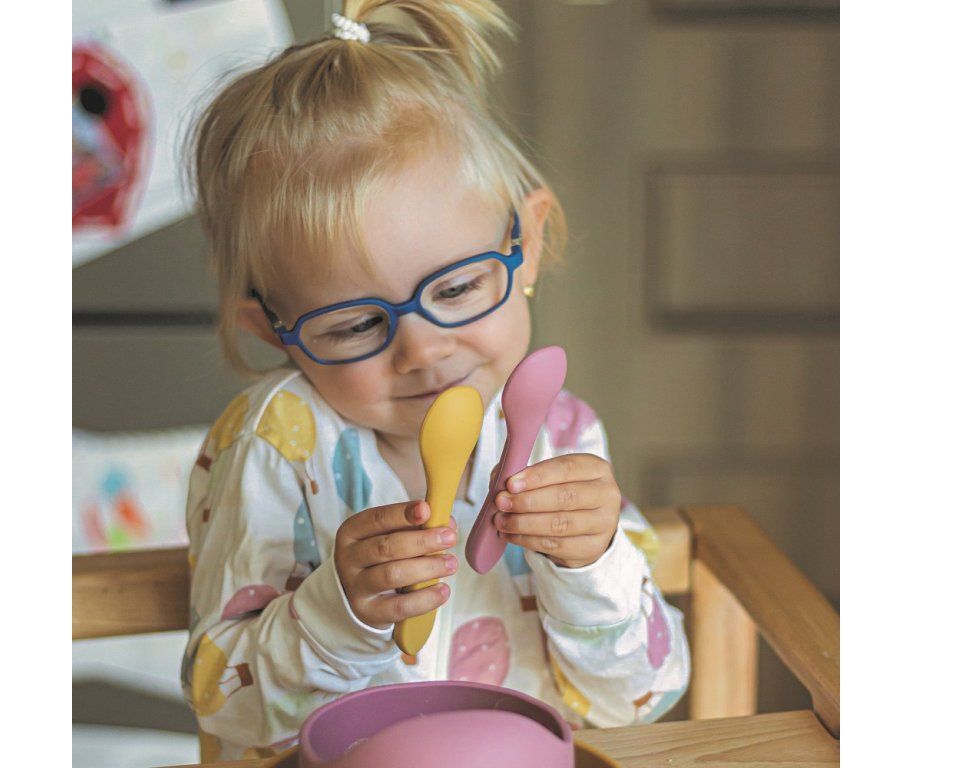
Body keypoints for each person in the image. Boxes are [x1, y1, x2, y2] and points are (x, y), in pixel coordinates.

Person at [180, 1, 689, 760]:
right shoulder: (276, 446)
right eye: (355, 325)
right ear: (270, 328)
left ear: (527, 242)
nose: (421, 350)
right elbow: (226, 706)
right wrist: (339, 612)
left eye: (455, 288)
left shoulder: (558, 434)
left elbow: (640, 698)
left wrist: (593, 565)